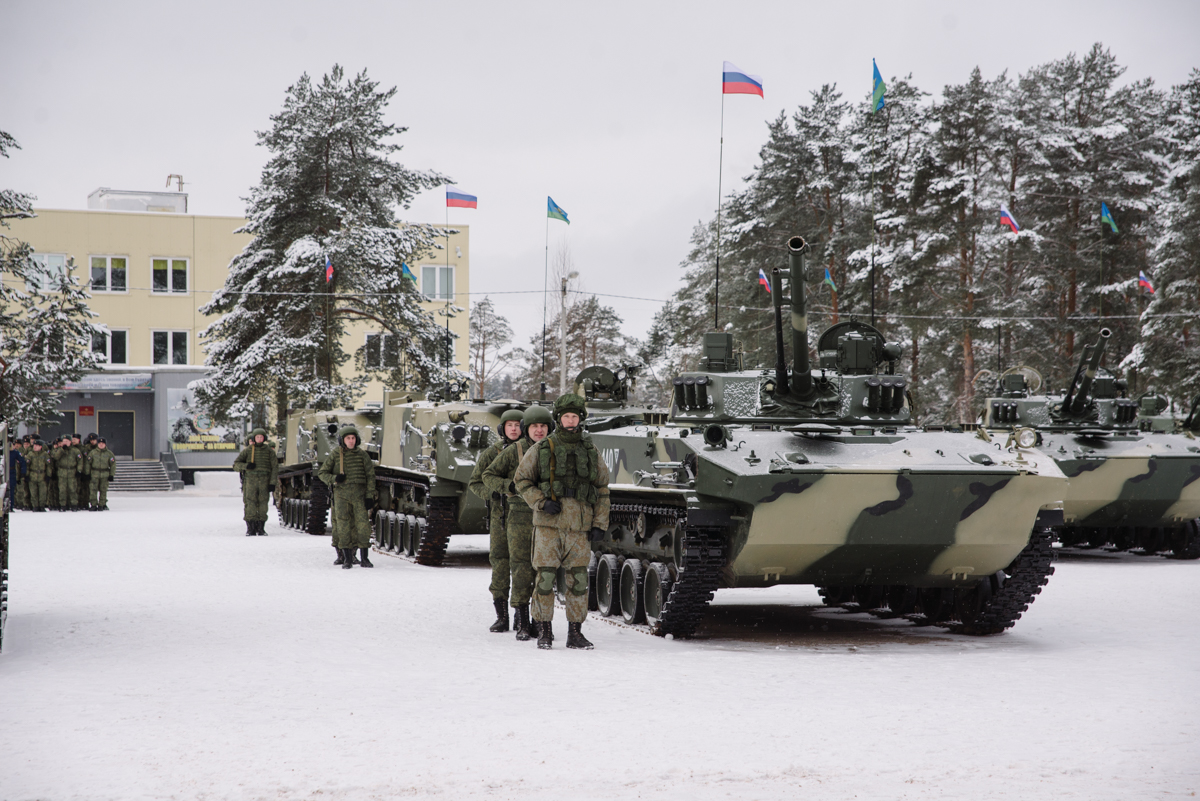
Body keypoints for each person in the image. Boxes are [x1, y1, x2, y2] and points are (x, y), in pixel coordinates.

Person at [514, 393, 609, 650]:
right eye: (566, 416)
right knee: (544, 580)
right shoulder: (542, 448)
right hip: (548, 526)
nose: (570, 421)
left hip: (579, 527)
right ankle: (544, 631)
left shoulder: (590, 450)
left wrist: (600, 523)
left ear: (580, 419)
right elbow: (521, 480)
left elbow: (602, 488)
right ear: (559, 418)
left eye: (574, 416)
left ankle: (575, 633)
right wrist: (541, 502)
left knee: (578, 582)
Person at [483, 405, 553, 641]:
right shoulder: (515, 450)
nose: (540, 430)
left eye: (544, 426)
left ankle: (539, 621)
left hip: (548, 516)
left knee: (543, 570)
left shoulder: (555, 449)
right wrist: (508, 488)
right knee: (521, 568)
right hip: (519, 515)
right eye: (535, 426)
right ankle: (521, 621)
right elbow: (487, 476)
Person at [468, 408, 525, 633]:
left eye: (518, 425)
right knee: (500, 562)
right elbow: (475, 482)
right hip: (500, 515)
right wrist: (492, 494)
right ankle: (502, 616)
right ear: (502, 429)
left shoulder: (531, 450)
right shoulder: (492, 453)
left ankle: (523, 616)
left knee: (523, 565)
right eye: (509, 425)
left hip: (525, 516)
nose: (514, 429)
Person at [317, 426, 377, 568]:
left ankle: (364, 558)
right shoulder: (336, 454)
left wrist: (369, 496)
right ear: (343, 440)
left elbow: (370, 476)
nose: (351, 441)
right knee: (343, 526)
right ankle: (347, 558)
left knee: (363, 526)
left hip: (359, 495)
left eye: (353, 438)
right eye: (348, 438)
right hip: (341, 495)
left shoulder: (363, 455)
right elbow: (322, 473)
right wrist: (335, 479)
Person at [232, 428, 279, 536]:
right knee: (250, 503)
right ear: (254, 438)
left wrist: (272, 483)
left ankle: (261, 527)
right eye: (257, 437)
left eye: (261, 437)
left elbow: (274, 468)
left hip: (264, 480)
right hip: (250, 481)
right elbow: (236, 465)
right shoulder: (248, 451)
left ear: (264, 438)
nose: (259, 439)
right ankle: (251, 528)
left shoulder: (269, 452)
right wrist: (246, 466)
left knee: (263, 504)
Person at [85, 437, 117, 510]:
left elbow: (113, 465)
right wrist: (87, 473)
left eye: (103, 443)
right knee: (93, 490)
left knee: (103, 490)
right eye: (100, 443)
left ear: (105, 444)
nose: (101, 445)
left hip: (105, 474)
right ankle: (93, 504)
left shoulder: (109, 453)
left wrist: (111, 475)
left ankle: (102, 504)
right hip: (94, 473)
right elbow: (88, 463)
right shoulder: (93, 453)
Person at [26, 439, 50, 512]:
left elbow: (49, 466)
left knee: (42, 492)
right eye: (34, 445)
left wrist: (48, 475)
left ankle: (42, 506)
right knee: (33, 492)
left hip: (42, 475)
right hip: (32, 475)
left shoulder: (45, 454)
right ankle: (35, 506)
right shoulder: (30, 454)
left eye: (37, 446)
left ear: (41, 447)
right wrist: (26, 475)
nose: (35, 447)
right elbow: (27, 465)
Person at [7, 439, 27, 511]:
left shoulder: (14, 452)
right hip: (4, 471)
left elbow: (22, 461)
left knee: (11, 490)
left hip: (11, 471)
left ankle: (11, 506)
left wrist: (23, 472)